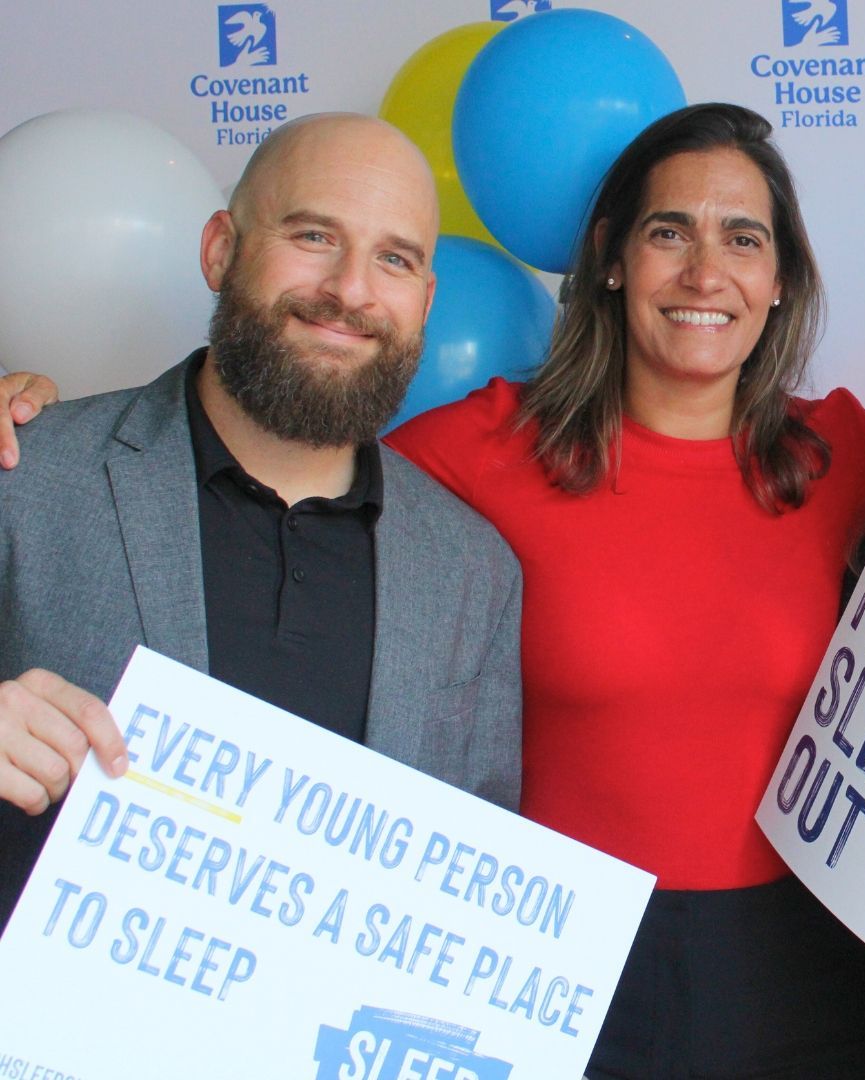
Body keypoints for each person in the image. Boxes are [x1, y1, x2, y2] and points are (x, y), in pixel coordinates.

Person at [383, 103, 865, 1078]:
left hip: (806, 976)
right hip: (557, 967)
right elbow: (283, 493)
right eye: (670, 232)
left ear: (780, 280)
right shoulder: (487, 451)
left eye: (742, 239)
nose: (706, 274)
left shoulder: (852, 459)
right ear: (611, 259)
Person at [0, 113, 523, 928]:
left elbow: (474, 888)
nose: (351, 291)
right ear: (220, 250)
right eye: (314, 235)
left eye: (394, 258)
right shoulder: (25, 476)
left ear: (424, 301)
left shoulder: (472, 572)